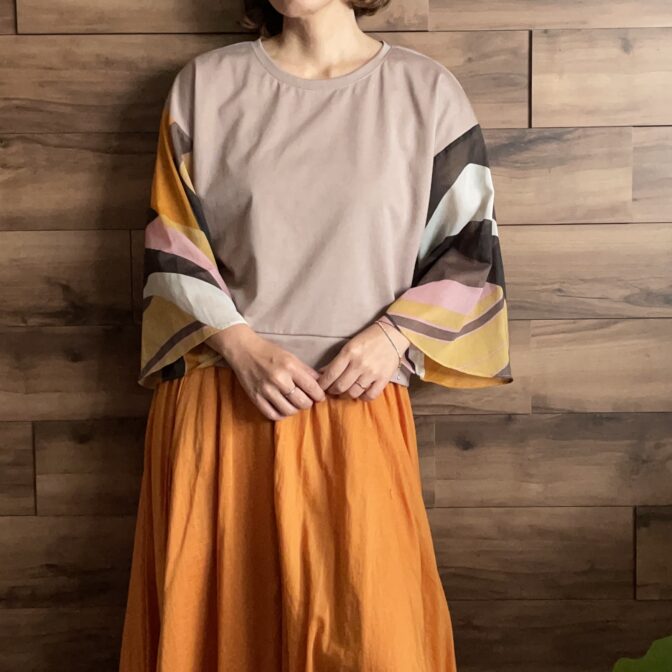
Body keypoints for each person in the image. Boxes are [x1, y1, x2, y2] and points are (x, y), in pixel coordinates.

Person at [118, 0, 513, 668]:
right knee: (222, 639)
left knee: (374, 641)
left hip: (356, 407)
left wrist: (393, 336)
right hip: (223, 404)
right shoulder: (205, 86)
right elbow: (173, 242)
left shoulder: (426, 93)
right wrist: (238, 343)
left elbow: (470, 249)